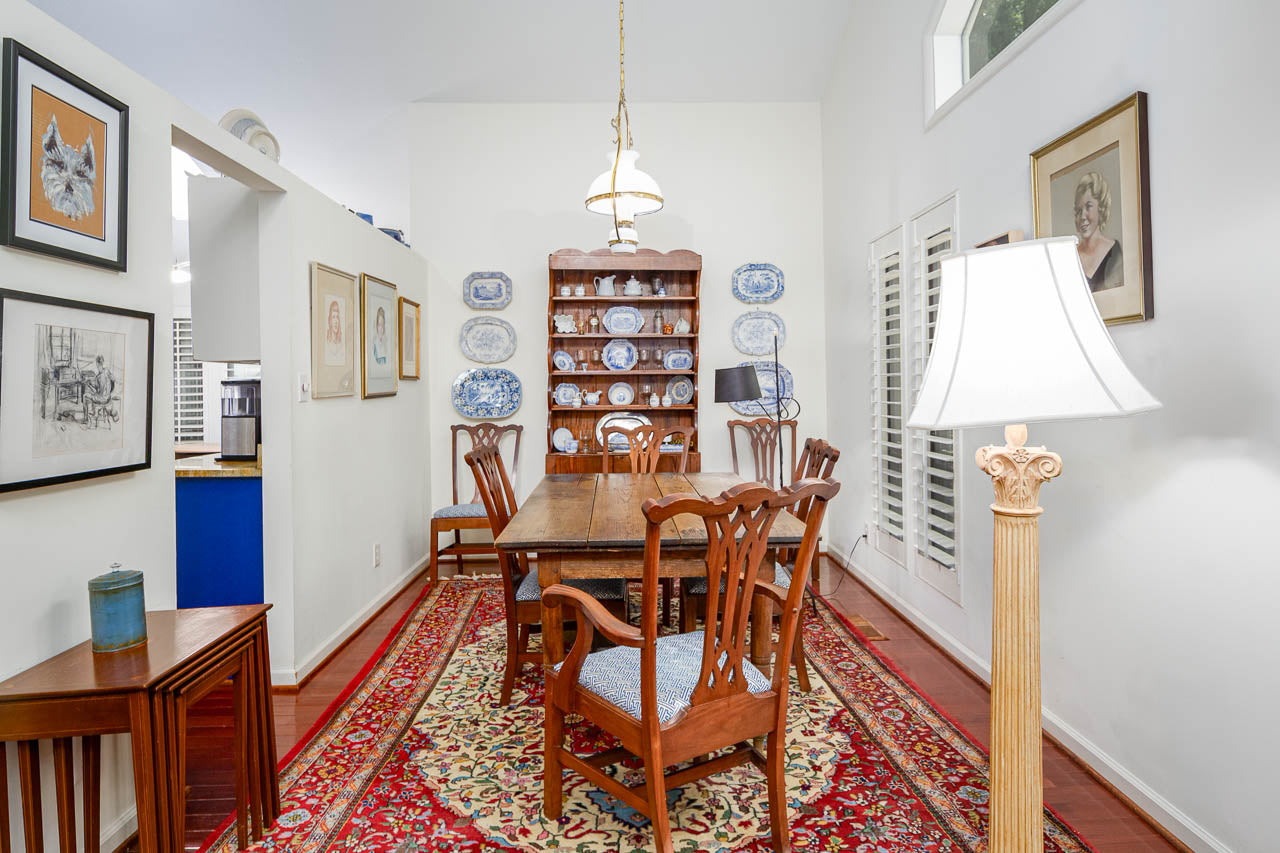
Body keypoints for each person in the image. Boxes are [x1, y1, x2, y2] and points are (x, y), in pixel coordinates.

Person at [1073, 171, 1123, 292]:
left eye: (1088, 206)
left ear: (1101, 208)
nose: (1082, 216)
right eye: (1079, 210)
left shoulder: (1113, 252)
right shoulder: (1071, 256)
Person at [324, 298, 344, 365]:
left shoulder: (341, 344)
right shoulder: (327, 343)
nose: (336, 321)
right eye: (333, 317)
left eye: (337, 317)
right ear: (329, 320)